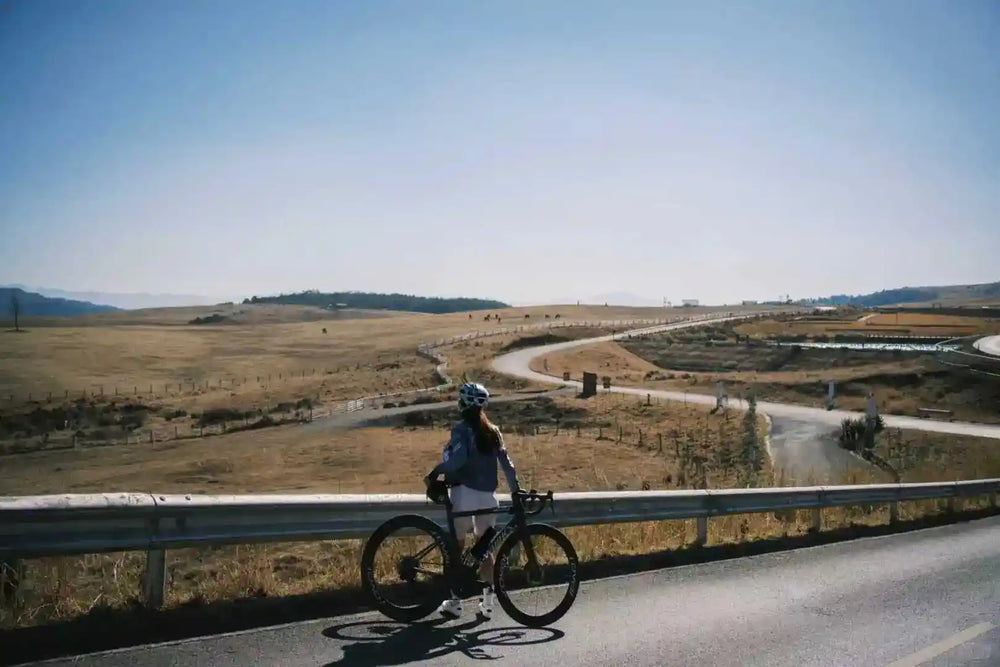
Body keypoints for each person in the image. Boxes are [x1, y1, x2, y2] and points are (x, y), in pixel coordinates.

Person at [424, 381, 520, 620]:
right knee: (483, 549)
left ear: (462, 404)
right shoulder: (494, 431)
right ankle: (487, 603)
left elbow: (457, 461)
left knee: (457, 549)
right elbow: (508, 466)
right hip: (488, 496)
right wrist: (517, 491)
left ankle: (454, 602)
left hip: (463, 493)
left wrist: (435, 472)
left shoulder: (461, 430)